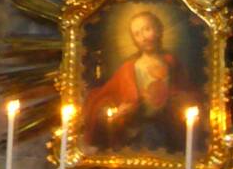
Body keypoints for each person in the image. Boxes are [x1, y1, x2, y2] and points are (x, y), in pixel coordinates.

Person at [82, 9, 202, 153]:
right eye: (137, 34)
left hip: (169, 131)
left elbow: (189, 93)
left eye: (147, 29)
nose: (143, 37)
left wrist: (180, 101)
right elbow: (102, 98)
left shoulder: (171, 63)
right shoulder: (128, 68)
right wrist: (118, 110)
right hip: (135, 133)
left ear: (159, 30)